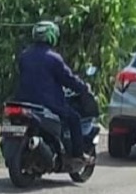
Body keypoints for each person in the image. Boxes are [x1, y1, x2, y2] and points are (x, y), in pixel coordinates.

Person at [16, 21, 91, 172]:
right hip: (48, 103)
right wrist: (83, 88)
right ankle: (77, 155)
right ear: (51, 36)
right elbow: (68, 79)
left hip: (23, 101)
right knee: (74, 118)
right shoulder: (54, 58)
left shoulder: (24, 56)